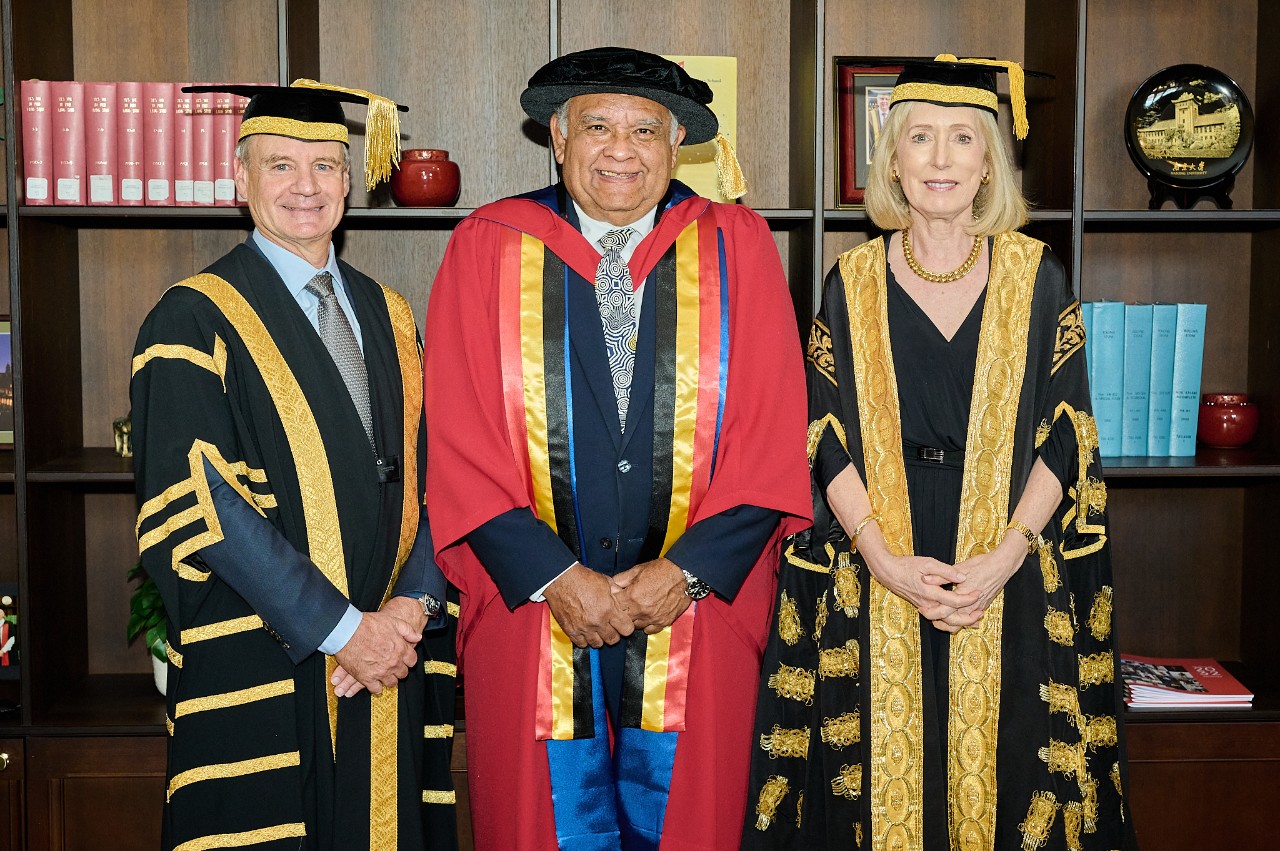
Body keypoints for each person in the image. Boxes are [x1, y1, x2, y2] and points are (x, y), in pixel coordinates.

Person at [744, 57, 1140, 851]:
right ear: (891, 158)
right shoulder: (848, 281)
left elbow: (1067, 432)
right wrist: (884, 556)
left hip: (1007, 556)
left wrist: (1006, 554)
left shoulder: (1039, 275)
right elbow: (825, 434)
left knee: (1015, 776)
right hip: (880, 554)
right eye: (919, 138)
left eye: (963, 139)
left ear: (989, 161)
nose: (940, 158)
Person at [424, 47, 812, 851]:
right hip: (534, 609)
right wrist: (555, 577)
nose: (621, 150)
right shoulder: (487, 246)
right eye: (597, 126)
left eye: (645, 130)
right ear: (558, 139)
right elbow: (456, 439)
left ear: (678, 146)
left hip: (696, 610)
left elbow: (770, 432)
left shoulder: (737, 246)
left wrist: (687, 570)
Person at [131, 81, 457, 851]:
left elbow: (437, 475)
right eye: (280, 165)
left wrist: (410, 611)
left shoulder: (392, 312)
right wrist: (344, 631)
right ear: (240, 179)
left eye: (323, 166)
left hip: (390, 659)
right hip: (273, 658)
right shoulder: (193, 316)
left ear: (350, 181)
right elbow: (204, 504)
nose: (304, 187)